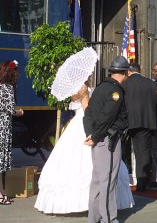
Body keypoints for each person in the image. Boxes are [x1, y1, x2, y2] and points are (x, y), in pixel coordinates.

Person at [35, 83, 134, 214]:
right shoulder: (85, 89)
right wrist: (86, 95)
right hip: (84, 124)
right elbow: (88, 110)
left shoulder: (77, 89)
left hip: (79, 124)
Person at [83, 56, 130, 223]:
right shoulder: (115, 91)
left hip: (98, 139)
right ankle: (109, 218)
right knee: (108, 180)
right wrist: (95, 136)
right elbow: (107, 117)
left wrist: (90, 134)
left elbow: (88, 113)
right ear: (124, 73)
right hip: (108, 140)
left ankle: (94, 218)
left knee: (97, 180)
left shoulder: (100, 88)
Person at [123, 62, 157, 192]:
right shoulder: (151, 83)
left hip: (128, 123)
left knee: (128, 152)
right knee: (143, 152)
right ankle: (143, 180)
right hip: (146, 122)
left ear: (129, 72)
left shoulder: (125, 84)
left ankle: (132, 179)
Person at [0, 60, 24, 205]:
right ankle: (1, 194)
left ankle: (2, 192)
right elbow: (10, 109)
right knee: (2, 162)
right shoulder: (7, 88)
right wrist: (19, 112)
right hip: (3, 128)